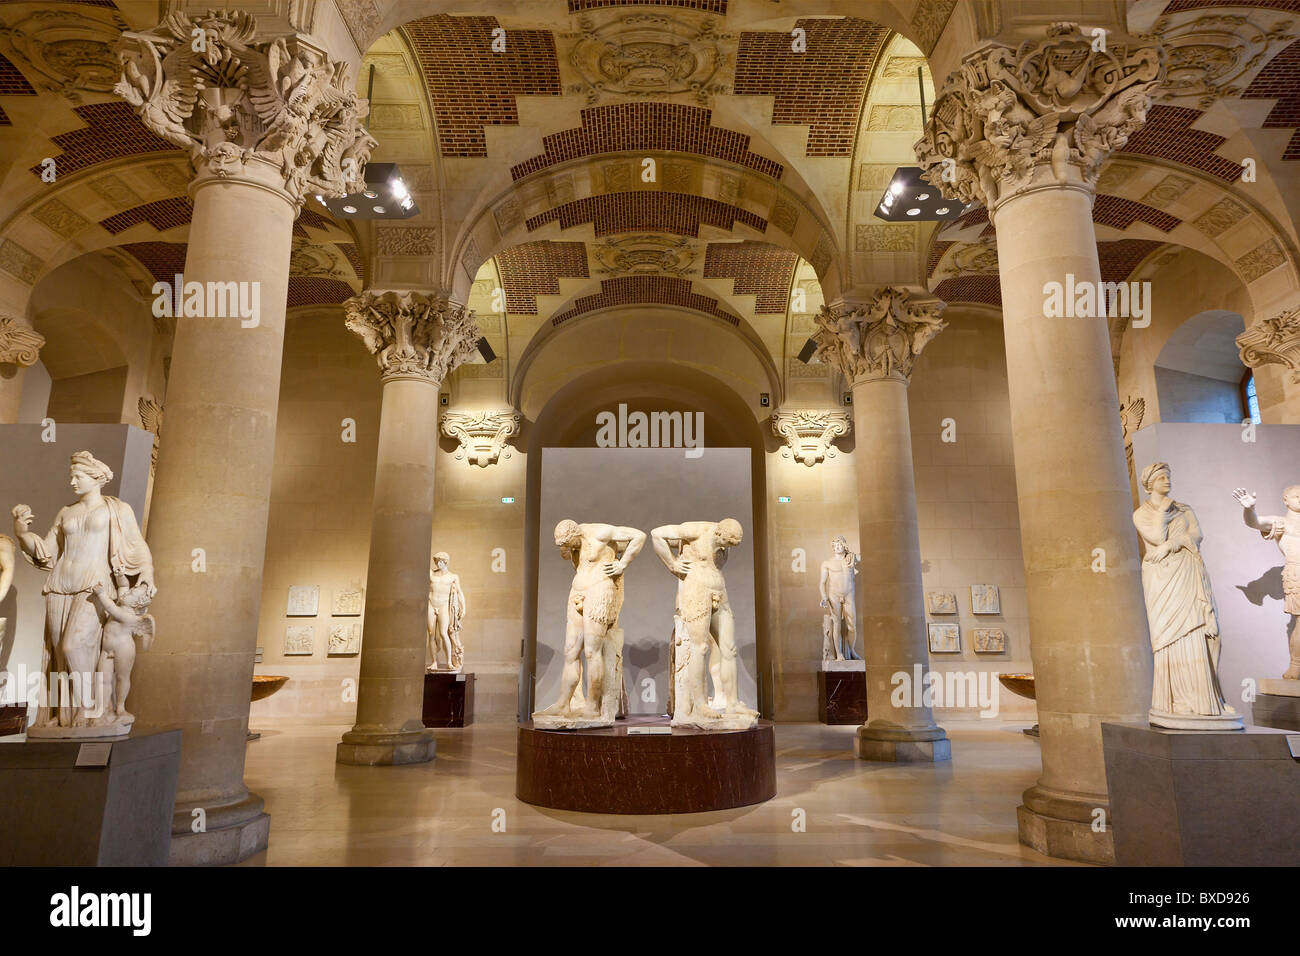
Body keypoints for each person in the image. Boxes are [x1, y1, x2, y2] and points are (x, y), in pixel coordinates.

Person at [11, 451, 154, 728]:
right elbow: (46, 552)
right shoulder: (66, 511)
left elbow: (137, 546)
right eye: (72, 477)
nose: (73, 482)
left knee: (73, 645)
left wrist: (147, 574)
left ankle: (90, 708)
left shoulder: (117, 509)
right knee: (57, 653)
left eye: (79, 477)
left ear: (96, 478)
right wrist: (21, 533)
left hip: (94, 584)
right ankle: (63, 715)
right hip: (59, 585)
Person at [1134, 463, 1235, 723]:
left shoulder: (1185, 508)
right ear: (1149, 483)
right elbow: (1155, 536)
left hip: (1188, 570)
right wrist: (1164, 512)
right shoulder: (1141, 514)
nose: (1167, 481)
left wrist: (1173, 543)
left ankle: (1208, 699)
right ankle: (1174, 700)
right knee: (1170, 635)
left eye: (1168, 477)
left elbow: (1196, 535)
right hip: (1162, 578)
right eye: (1161, 478)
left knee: (1201, 629)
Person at [534, 520, 645, 724]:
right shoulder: (572, 543)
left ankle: (593, 705)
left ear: (576, 534)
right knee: (570, 651)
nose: (569, 549)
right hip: (577, 591)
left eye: (570, 544)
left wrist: (622, 564)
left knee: (592, 651)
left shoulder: (600, 533)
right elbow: (575, 559)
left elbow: (639, 535)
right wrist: (567, 550)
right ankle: (563, 702)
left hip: (599, 590)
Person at [651, 519, 757, 726]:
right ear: (718, 534)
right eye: (724, 543)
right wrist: (672, 564)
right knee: (699, 648)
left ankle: (732, 702)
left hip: (719, 589)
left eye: (729, 546)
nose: (725, 548)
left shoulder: (725, 541)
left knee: (729, 648)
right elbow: (657, 534)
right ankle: (700, 705)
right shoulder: (697, 530)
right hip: (696, 588)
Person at [1232, 483, 1300, 680]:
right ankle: (1296, 666)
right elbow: (1255, 522)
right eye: (1296, 496)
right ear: (1285, 500)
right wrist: (1249, 509)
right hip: (1297, 572)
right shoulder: (1281, 523)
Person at [87, 579, 155, 728]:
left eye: (132, 593)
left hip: (124, 649)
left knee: (122, 678)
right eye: (130, 591)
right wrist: (120, 575)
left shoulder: (130, 616)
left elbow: (112, 609)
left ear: (137, 603)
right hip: (107, 649)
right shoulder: (124, 603)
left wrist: (101, 594)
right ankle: (102, 709)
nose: (127, 592)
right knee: (102, 679)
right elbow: (123, 588)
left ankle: (120, 707)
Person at [819, 535, 861, 663]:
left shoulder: (851, 559)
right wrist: (824, 597)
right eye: (835, 546)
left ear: (844, 546)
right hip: (834, 594)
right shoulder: (827, 563)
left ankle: (852, 649)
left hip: (849, 593)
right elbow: (822, 582)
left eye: (839, 545)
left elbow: (867, 552)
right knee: (836, 623)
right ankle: (839, 653)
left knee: (852, 625)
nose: (837, 547)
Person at [426, 552, 466, 671]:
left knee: (444, 633)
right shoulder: (432, 574)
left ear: (446, 562)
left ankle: (449, 662)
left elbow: (459, 592)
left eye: (441, 561)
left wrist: (463, 607)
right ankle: (434, 662)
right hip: (431, 604)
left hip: (443, 605)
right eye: (437, 561)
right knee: (431, 634)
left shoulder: (453, 576)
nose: (438, 563)